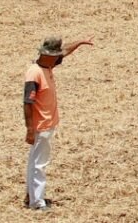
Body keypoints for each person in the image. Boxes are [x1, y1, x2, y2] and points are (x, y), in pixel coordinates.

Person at [24, 36, 93, 212]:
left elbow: (65, 52)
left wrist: (80, 42)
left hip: (46, 125)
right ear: (47, 55)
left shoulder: (47, 65)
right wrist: (30, 130)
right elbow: (27, 103)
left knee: (35, 162)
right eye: (55, 56)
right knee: (39, 164)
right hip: (41, 126)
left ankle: (31, 195)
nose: (58, 58)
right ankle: (37, 203)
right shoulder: (35, 73)